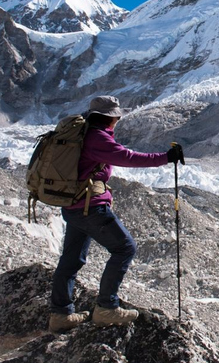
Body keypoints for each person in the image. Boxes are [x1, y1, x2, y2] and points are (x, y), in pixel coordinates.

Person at [48, 95, 185, 333]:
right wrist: (165, 158)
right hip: (90, 208)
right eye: (117, 117)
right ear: (111, 118)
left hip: (73, 206)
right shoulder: (97, 138)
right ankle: (106, 307)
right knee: (125, 248)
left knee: (71, 260)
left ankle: (61, 314)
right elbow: (127, 157)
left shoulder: (83, 134)